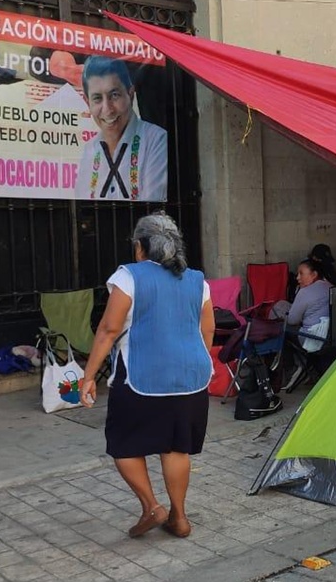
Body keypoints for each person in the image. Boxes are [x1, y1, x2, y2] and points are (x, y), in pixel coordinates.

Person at [79, 213, 213, 540]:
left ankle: (153, 506)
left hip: (142, 377)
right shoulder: (198, 281)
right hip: (191, 378)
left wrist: (88, 376)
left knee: (123, 444)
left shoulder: (129, 277)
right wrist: (196, 361)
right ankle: (179, 517)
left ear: (141, 247)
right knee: (175, 447)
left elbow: (109, 330)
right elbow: (206, 329)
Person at [75, 57, 168, 201]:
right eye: (97, 98)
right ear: (87, 102)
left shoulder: (155, 139)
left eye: (114, 95)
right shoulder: (90, 150)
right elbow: (82, 202)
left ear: (130, 95)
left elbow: (152, 202)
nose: (107, 110)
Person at [278, 260, 333, 390]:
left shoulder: (305, 292)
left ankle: (294, 367)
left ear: (314, 274)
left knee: (280, 329)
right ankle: (307, 369)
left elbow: (292, 320)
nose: (297, 278)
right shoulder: (330, 286)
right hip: (331, 337)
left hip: (312, 339)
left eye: (301, 274)